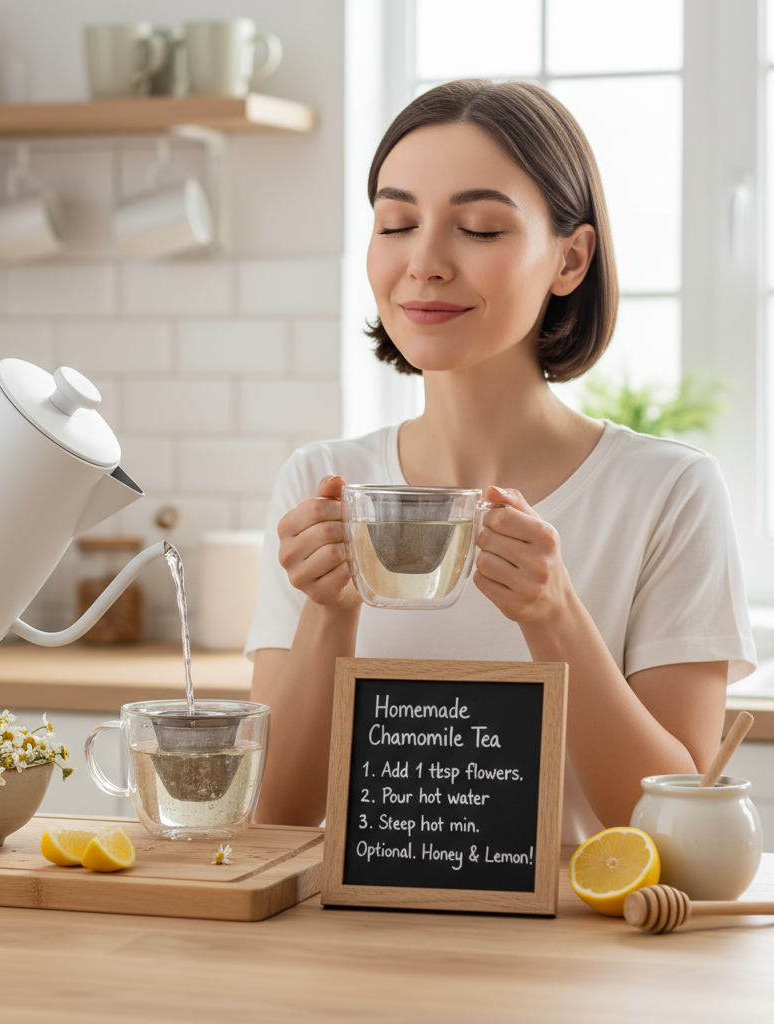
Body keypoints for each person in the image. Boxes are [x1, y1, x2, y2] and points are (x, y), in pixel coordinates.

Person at [246, 78, 755, 844]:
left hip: (585, 957)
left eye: (479, 229)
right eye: (397, 222)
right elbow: (275, 817)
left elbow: (673, 833)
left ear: (571, 260)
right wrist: (331, 612)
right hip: (353, 952)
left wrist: (557, 619)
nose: (424, 262)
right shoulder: (323, 484)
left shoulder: (667, 491)